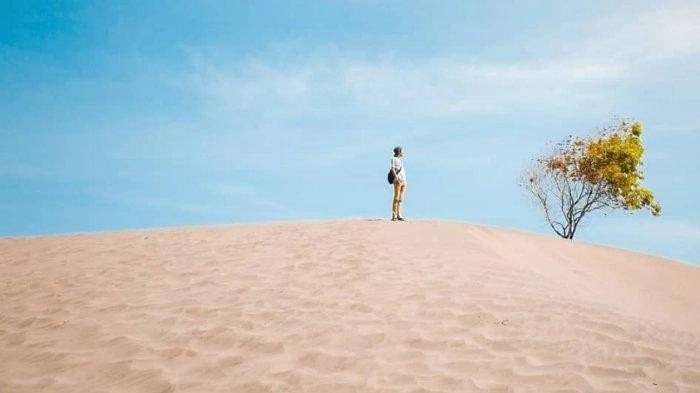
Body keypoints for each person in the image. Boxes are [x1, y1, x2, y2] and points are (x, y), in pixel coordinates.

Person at [390, 146, 407, 221]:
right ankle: (394, 215)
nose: (402, 153)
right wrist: (396, 177)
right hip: (398, 181)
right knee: (396, 198)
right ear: (399, 152)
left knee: (401, 199)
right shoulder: (394, 159)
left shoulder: (400, 160)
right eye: (401, 151)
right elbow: (392, 169)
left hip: (403, 181)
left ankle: (399, 215)